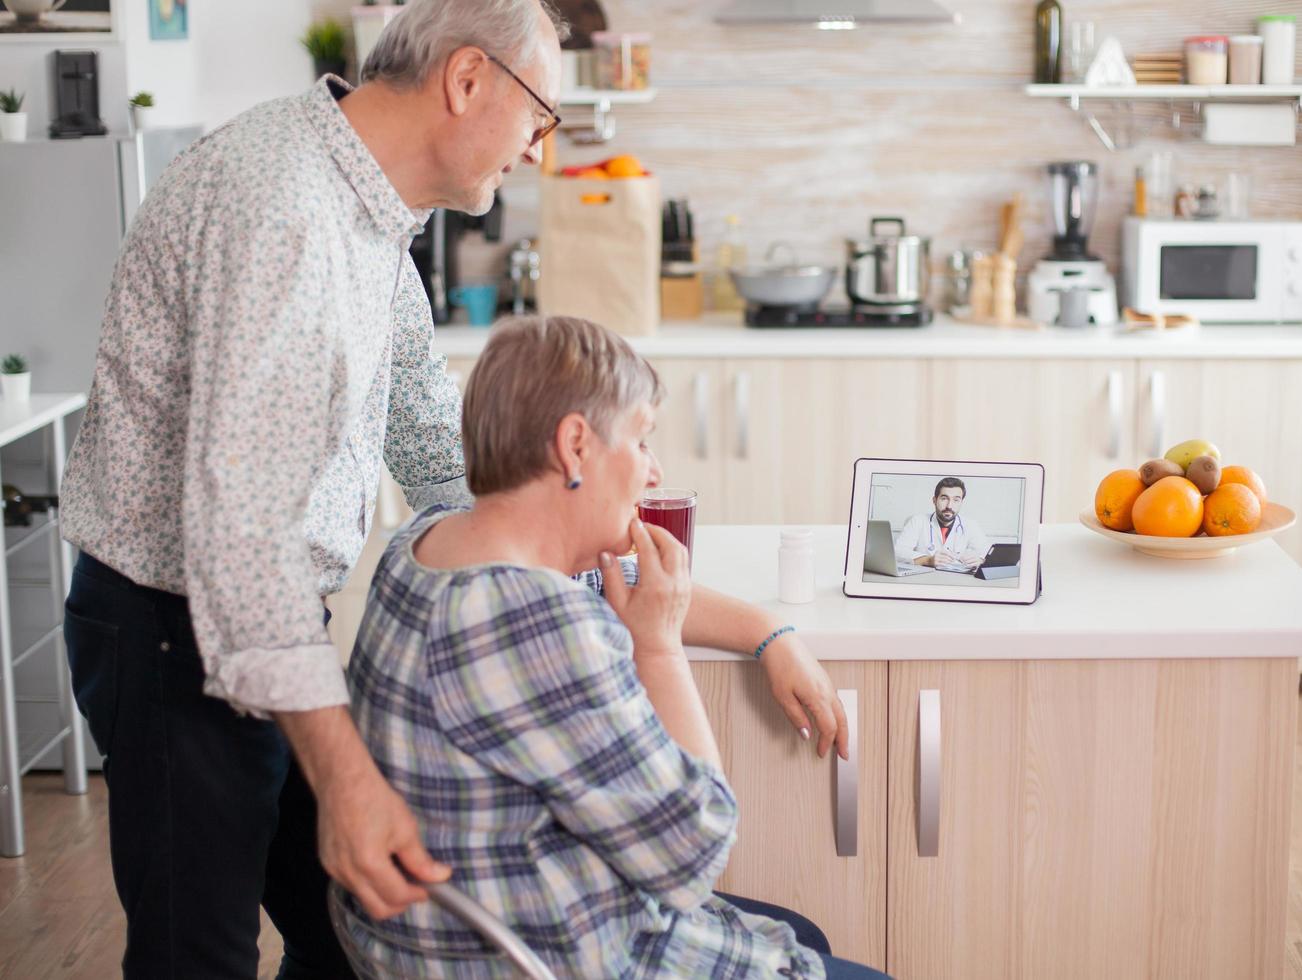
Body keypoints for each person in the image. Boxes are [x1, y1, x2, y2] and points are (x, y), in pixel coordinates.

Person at [57, 1, 846, 976]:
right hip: (169, 622)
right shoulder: (288, 212)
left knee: (342, 926)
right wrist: (346, 779)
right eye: (539, 118)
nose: (538, 153)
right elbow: (243, 536)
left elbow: (442, 456)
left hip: (268, 625)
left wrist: (703, 606)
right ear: (467, 80)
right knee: (199, 950)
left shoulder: (374, 215)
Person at [331, 315, 888, 980]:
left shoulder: (419, 548)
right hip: (564, 953)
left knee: (804, 933)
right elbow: (693, 856)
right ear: (575, 446)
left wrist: (768, 633)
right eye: (643, 439)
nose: (653, 473)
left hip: (432, 944)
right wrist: (658, 650)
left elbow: (610, 582)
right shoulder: (545, 626)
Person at [893, 477, 992, 571]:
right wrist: (928, 560)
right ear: (934, 500)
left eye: (956, 500)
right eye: (944, 498)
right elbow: (898, 552)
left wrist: (981, 560)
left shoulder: (971, 525)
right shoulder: (917, 521)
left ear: (961, 502)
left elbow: (988, 553)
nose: (949, 506)